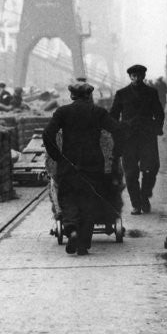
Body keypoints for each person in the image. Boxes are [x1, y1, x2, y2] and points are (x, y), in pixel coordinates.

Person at [43, 81, 124, 255]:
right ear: (89, 95)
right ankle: (83, 244)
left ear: (72, 95)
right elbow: (118, 130)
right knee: (89, 203)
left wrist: (57, 156)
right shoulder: (98, 112)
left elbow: (47, 134)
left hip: (68, 164)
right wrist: (116, 153)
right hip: (93, 165)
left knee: (68, 198)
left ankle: (71, 230)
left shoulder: (62, 112)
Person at [109, 64, 164, 214]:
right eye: (133, 76)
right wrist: (119, 131)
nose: (136, 78)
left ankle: (145, 196)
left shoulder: (151, 92)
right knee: (131, 172)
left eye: (139, 75)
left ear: (144, 76)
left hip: (147, 137)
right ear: (130, 77)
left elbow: (159, 113)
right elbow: (113, 116)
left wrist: (156, 128)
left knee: (151, 168)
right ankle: (136, 204)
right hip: (128, 139)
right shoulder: (122, 94)